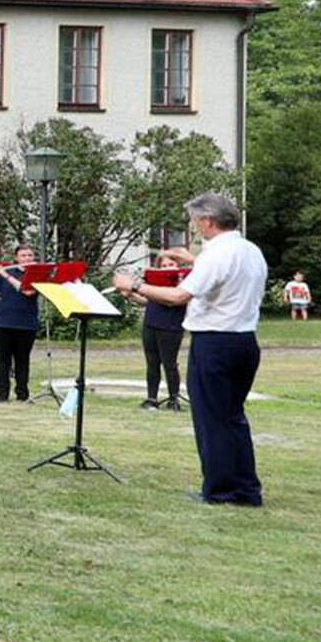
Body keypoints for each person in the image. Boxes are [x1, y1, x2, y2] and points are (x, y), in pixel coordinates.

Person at [112, 193, 266, 507]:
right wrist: (193, 260)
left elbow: (179, 296)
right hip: (244, 341)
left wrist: (135, 286)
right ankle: (247, 490)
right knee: (234, 417)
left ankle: (219, 490)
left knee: (211, 419)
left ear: (208, 221)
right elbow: (225, 275)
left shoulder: (216, 253)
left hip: (214, 341)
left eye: (196, 223)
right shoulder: (250, 250)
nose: (195, 229)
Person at [126, 249, 189, 410]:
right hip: (151, 323)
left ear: (177, 265)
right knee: (152, 362)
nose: (167, 267)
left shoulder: (183, 283)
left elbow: (174, 301)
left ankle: (173, 398)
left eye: (171, 264)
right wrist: (130, 295)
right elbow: (147, 301)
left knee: (169, 363)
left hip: (171, 326)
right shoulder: (154, 282)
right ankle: (151, 398)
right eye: (164, 265)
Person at [0, 246, 43, 402]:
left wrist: (4, 274)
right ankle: (2, 394)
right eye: (23, 255)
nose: (27, 258)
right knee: (2, 359)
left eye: (30, 255)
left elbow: (27, 291)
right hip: (3, 322)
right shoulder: (7, 272)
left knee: (22, 360)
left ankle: (22, 394)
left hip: (26, 323)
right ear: (16, 258)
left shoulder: (36, 274)